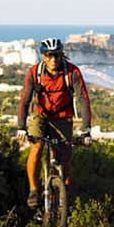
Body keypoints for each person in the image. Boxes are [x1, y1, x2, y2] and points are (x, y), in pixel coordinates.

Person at [17, 37, 92, 208]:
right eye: (49, 56)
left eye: (57, 55)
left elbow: (83, 100)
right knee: (36, 147)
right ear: (43, 56)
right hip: (40, 115)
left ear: (61, 55)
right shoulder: (34, 73)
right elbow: (25, 101)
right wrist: (21, 126)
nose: (53, 60)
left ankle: (63, 196)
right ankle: (34, 190)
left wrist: (86, 129)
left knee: (65, 158)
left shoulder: (72, 72)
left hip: (63, 117)